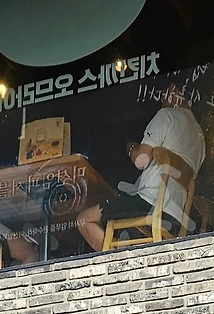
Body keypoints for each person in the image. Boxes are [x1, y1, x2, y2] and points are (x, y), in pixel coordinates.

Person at [77, 82, 206, 251]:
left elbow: (141, 160)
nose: (161, 100)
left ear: (173, 89)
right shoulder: (200, 138)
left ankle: (116, 263)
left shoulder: (167, 115)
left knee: (84, 219)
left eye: (162, 94)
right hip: (176, 215)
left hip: (149, 204)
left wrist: (132, 148)